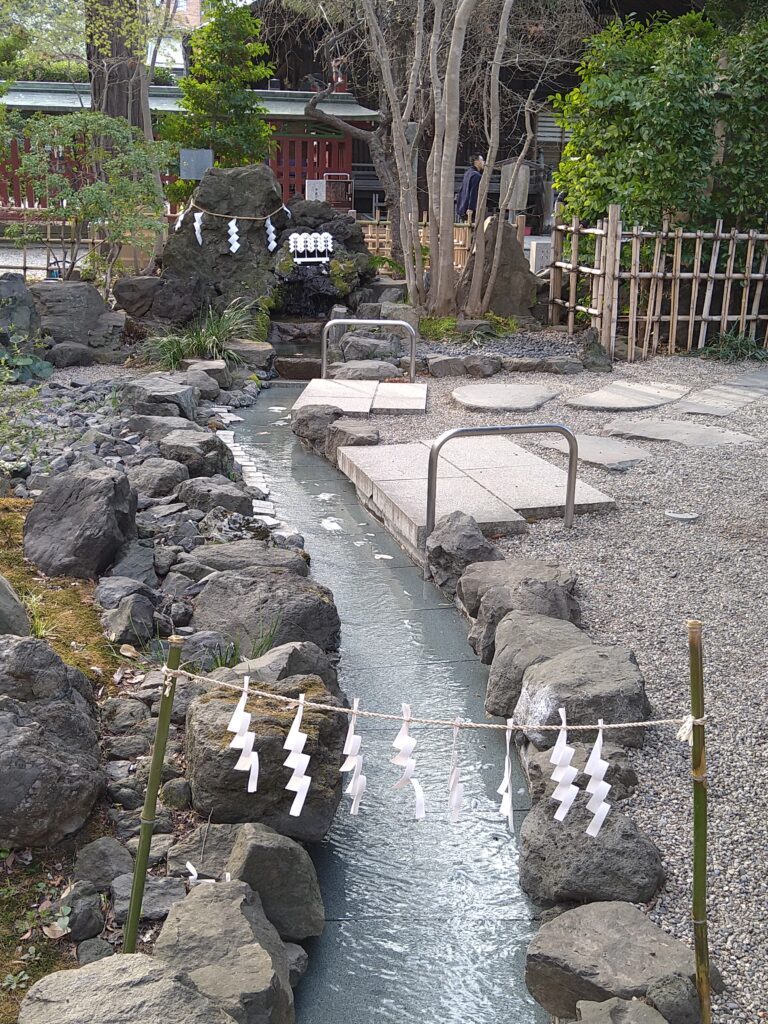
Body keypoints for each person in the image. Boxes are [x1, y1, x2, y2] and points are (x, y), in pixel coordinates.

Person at [456, 153, 485, 221]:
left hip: (462, 206)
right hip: (469, 209)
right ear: (476, 161)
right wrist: (471, 208)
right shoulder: (476, 176)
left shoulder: (467, 173)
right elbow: (473, 192)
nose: (484, 162)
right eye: (482, 160)